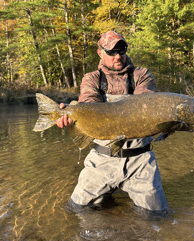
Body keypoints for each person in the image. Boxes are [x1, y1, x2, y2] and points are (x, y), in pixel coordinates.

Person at [57, 31, 168, 212]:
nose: (118, 56)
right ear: (100, 53)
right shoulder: (92, 78)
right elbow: (89, 104)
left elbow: (145, 107)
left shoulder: (142, 75)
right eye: (111, 52)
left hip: (140, 159)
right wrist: (72, 116)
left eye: (121, 50)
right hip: (102, 159)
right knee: (75, 210)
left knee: (157, 216)